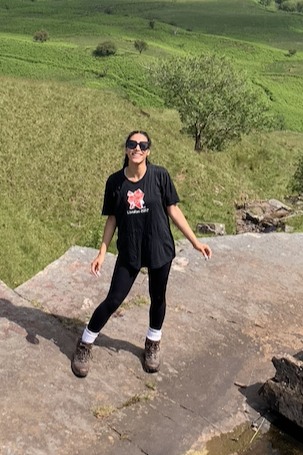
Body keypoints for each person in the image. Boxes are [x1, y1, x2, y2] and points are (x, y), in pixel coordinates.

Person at [72, 131, 212, 378]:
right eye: (132, 144)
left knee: (158, 297)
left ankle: (153, 342)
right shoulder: (115, 182)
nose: (137, 148)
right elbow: (112, 219)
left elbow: (173, 210)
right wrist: (102, 252)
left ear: (148, 150)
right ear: (126, 149)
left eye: (142, 145)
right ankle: (85, 343)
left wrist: (195, 241)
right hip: (130, 249)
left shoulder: (160, 176)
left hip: (159, 246)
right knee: (114, 299)